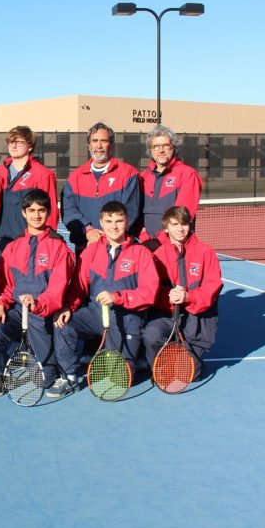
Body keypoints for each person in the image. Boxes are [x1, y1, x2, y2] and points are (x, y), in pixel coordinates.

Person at [53, 201, 158, 396]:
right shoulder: (91, 251)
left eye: (119, 221)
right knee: (63, 324)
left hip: (126, 318)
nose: (114, 226)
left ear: (127, 222)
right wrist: (68, 306)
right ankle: (69, 377)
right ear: (101, 222)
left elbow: (149, 293)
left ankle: (131, 357)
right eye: (109, 221)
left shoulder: (140, 252)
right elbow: (78, 287)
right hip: (95, 313)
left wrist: (118, 297)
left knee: (120, 380)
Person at [0, 189, 72, 398]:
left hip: (43, 311)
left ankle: (49, 370)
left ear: (49, 212)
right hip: (15, 311)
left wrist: (38, 304)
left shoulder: (59, 247)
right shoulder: (12, 248)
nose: (36, 215)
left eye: (41, 210)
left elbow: (58, 288)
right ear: (24, 213)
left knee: (45, 377)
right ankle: (1, 374)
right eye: (31, 210)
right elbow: (4, 286)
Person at [142, 206, 222, 377]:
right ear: (166, 228)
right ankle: (162, 363)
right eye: (174, 224)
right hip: (168, 314)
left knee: (190, 375)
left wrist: (188, 296)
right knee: (151, 335)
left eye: (184, 224)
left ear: (190, 225)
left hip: (196, 317)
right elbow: (151, 289)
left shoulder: (206, 252)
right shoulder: (158, 254)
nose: (180, 229)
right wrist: (168, 297)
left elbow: (212, 287)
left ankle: (183, 356)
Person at [61, 122, 141, 256]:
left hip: (118, 247)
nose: (99, 146)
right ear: (89, 145)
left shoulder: (128, 174)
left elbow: (131, 211)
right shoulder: (75, 177)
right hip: (85, 247)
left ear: (112, 145)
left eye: (104, 141)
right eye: (95, 141)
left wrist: (108, 236)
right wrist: (87, 230)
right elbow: (68, 210)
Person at [0, 126, 58, 256]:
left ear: (30, 146)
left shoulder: (42, 174)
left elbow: (51, 211)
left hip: (31, 241)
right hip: (4, 241)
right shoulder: (0, 172)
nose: (14, 146)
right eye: (11, 142)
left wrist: (47, 240)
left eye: (19, 142)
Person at [137, 125, 202, 246]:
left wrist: (161, 240)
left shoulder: (187, 174)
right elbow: (138, 212)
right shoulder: (143, 176)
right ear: (150, 150)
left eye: (166, 146)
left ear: (174, 148)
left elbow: (182, 216)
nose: (161, 150)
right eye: (156, 146)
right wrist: (144, 237)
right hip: (146, 244)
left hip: (173, 245)